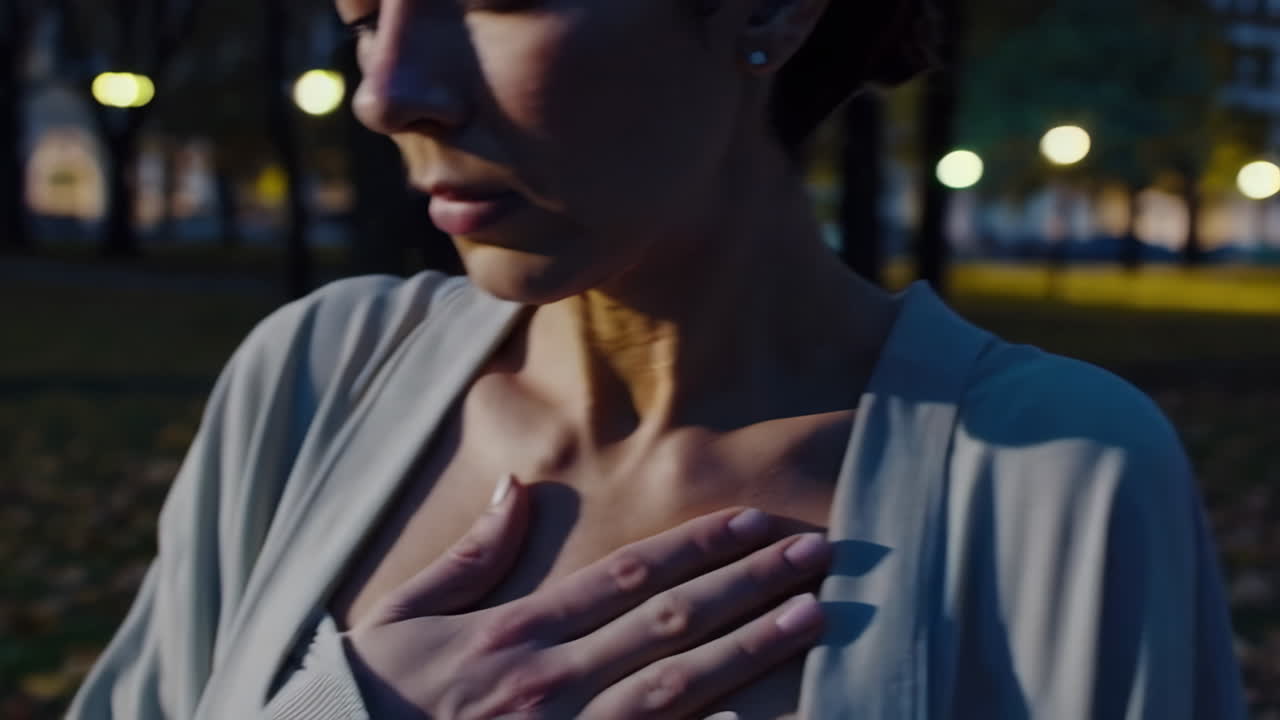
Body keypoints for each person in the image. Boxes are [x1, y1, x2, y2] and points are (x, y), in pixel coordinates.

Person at [70, 0, 1247, 717]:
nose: (387, 92)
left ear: (769, 6)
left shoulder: (1053, 475)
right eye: (361, 12)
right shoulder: (315, 376)